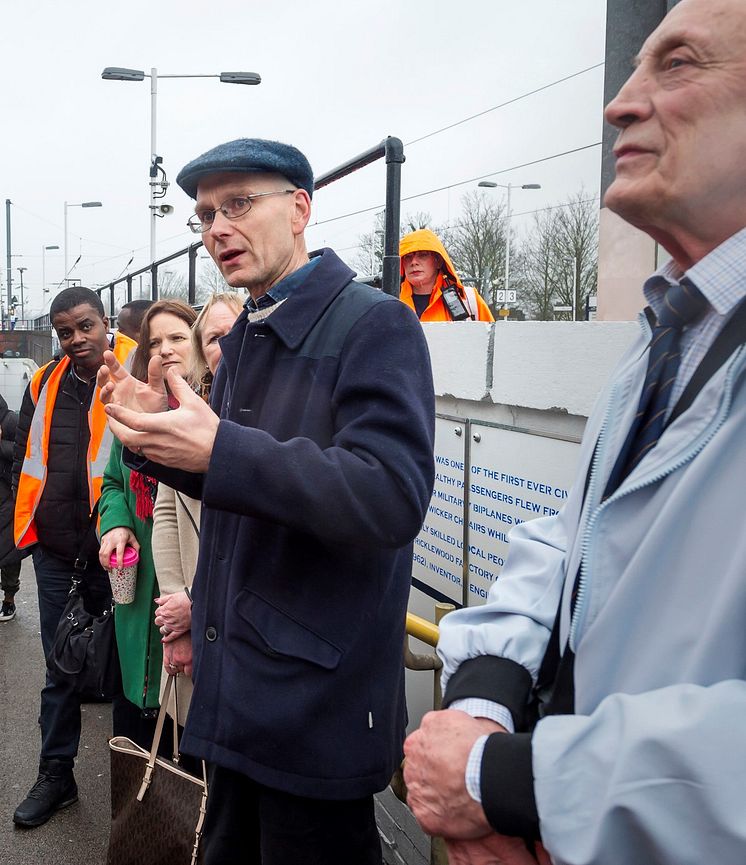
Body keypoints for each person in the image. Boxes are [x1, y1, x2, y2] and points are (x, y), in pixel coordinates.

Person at [402, 1, 746, 863]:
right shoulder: (668, 331)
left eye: (678, 64)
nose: (619, 102)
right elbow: (569, 543)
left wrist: (508, 781)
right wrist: (483, 704)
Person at [97, 137, 435, 865]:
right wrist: (154, 439)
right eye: (206, 214)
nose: (218, 227)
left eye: (239, 203)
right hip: (237, 698)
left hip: (312, 715)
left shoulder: (375, 325)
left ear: (302, 207)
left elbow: (389, 494)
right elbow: (244, 485)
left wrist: (219, 450)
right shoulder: (250, 330)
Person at [12, 286, 136, 828]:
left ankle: (140, 788)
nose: (76, 339)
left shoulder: (141, 367)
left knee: (135, 668)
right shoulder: (44, 382)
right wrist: (27, 535)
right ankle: (56, 775)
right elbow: (25, 456)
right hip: (58, 553)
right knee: (59, 667)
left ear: (105, 321)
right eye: (65, 332)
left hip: (124, 551)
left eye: (85, 326)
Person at [98, 299, 197, 746]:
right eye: (154, 342)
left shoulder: (215, 417)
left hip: (191, 592)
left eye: (178, 337)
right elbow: (113, 484)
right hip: (139, 588)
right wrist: (116, 525)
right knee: (135, 717)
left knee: (186, 736)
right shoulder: (136, 419)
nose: (166, 350)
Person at [152, 292, 243, 726]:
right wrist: (177, 615)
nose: (223, 346)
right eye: (212, 338)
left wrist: (198, 602)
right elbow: (167, 516)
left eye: (234, 333)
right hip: (191, 617)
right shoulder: (187, 419)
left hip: (242, 629)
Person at [399, 228, 494, 322]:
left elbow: (490, 335)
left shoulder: (469, 300)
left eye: (423, 255)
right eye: (407, 256)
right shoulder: (390, 301)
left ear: (438, 261)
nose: (414, 262)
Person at [0, 393, 24, 621]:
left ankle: (9, 599)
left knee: (8, 553)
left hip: (8, 496)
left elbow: (22, 452)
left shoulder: (9, 420)